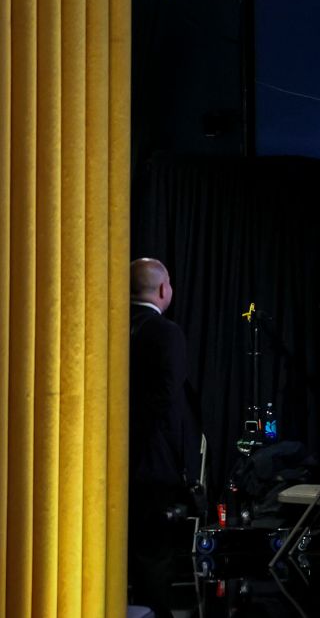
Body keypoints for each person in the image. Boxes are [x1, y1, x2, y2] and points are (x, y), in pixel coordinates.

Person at [128, 258, 201, 618]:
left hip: (108, 461)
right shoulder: (166, 333)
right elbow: (168, 404)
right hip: (153, 464)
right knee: (154, 559)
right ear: (162, 289)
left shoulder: (108, 325)